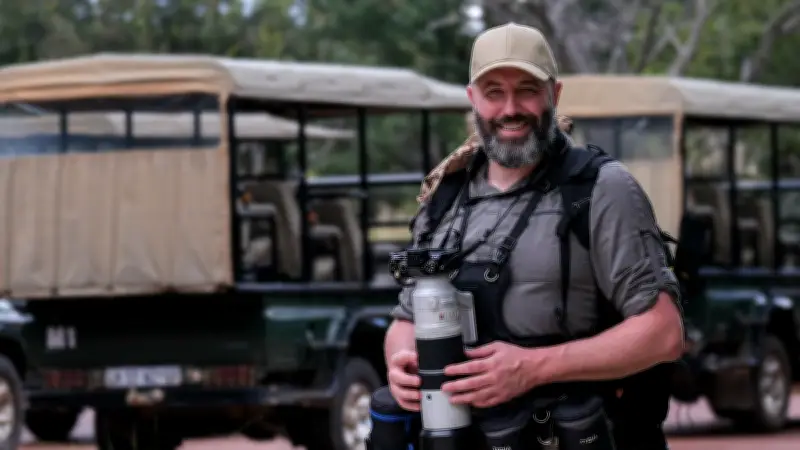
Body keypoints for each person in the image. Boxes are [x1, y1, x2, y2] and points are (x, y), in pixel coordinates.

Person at [382, 22, 685, 449]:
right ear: (473, 101)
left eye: (526, 89)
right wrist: (401, 363)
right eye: (493, 93)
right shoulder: (444, 196)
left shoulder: (600, 189)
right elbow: (405, 319)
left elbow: (664, 332)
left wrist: (533, 367)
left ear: (554, 95)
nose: (510, 109)